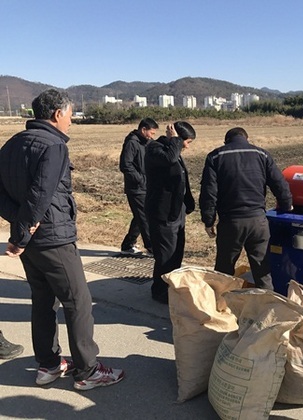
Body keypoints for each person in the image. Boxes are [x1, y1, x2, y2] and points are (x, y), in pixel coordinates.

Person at [0, 89, 123, 390]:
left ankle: (49, 365)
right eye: (70, 116)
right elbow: (39, 196)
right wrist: (23, 231)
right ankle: (88, 370)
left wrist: (19, 230)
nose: (71, 122)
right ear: (57, 114)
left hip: (31, 244)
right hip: (54, 239)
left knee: (43, 300)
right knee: (78, 302)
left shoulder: (11, 145)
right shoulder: (54, 146)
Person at [199, 127, 292, 290]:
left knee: (224, 270)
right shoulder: (262, 154)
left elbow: (209, 193)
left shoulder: (215, 156)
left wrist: (209, 221)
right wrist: (286, 205)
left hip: (231, 223)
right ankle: (266, 310)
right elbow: (279, 183)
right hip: (258, 222)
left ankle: (220, 308)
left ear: (226, 141)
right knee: (262, 271)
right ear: (246, 138)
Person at [145, 121, 196, 304]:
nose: (187, 147)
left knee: (176, 253)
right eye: (186, 142)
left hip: (177, 211)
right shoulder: (154, 149)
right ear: (176, 138)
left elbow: (182, 177)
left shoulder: (173, 150)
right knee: (166, 255)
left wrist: (188, 202)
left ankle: (171, 286)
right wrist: (174, 139)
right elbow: (170, 160)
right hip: (163, 212)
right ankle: (160, 291)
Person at [119, 118, 158, 255]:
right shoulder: (132, 143)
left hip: (146, 186)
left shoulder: (147, 143)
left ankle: (127, 245)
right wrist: (140, 180)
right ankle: (152, 248)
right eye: (151, 133)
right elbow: (125, 165)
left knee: (140, 216)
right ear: (143, 130)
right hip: (136, 188)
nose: (152, 136)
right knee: (144, 217)